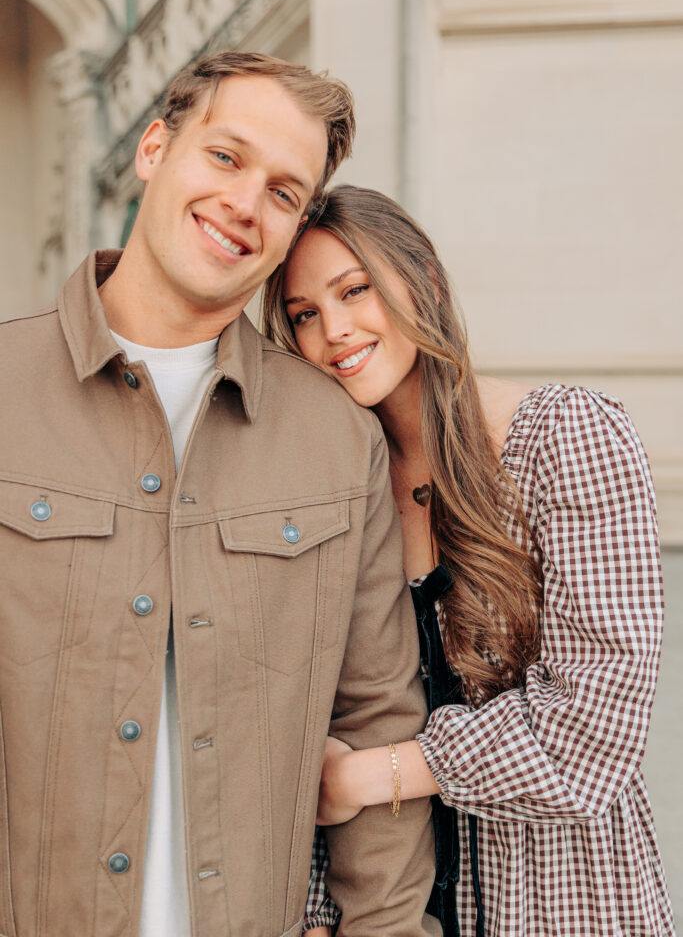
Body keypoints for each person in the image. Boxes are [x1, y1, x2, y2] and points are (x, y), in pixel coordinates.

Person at [0, 57, 440, 937]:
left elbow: (379, 721)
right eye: (227, 158)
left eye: (285, 193)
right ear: (154, 149)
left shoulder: (332, 438)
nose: (246, 204)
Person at [263, 184, 676, 937]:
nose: (335, 331)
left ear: (423, 281)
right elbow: (327, 718)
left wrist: (369, 775)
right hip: (391, 912)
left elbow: (594, 727)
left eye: (355, 290)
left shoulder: (569, 440)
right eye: (304, 315)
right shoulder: (330, 494)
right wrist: (319, 909)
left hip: (564, 905)